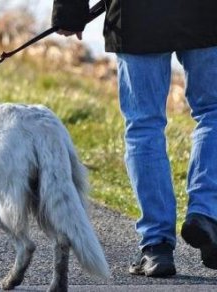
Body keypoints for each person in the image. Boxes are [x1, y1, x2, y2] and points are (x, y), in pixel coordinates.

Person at [52, 0, 217, 277]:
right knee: (212, 112)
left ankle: (156, 246)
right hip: (204, 12)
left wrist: (69, 12)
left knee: (144, 125)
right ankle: (205, 212)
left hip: (137, 15)